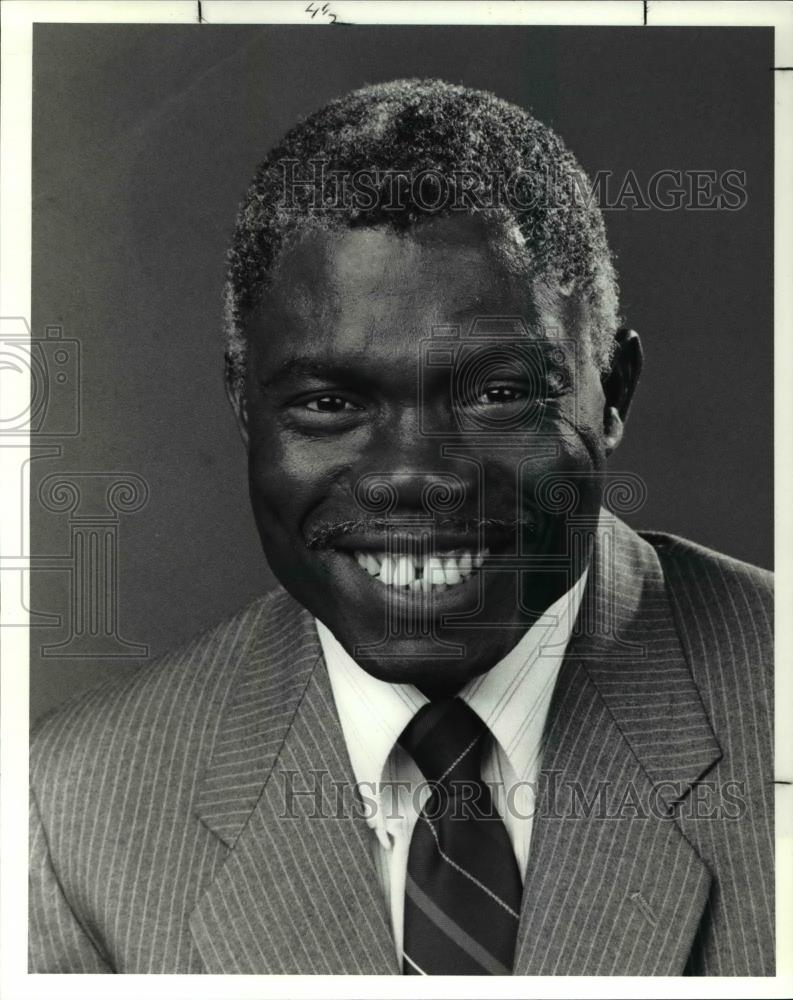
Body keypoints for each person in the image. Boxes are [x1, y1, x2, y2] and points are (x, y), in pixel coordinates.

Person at [29, 79, 773, 976]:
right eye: (330, 402)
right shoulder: (74, 811)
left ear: (611, 391)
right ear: (244, 409)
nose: (412, 478)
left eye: (498, 393)